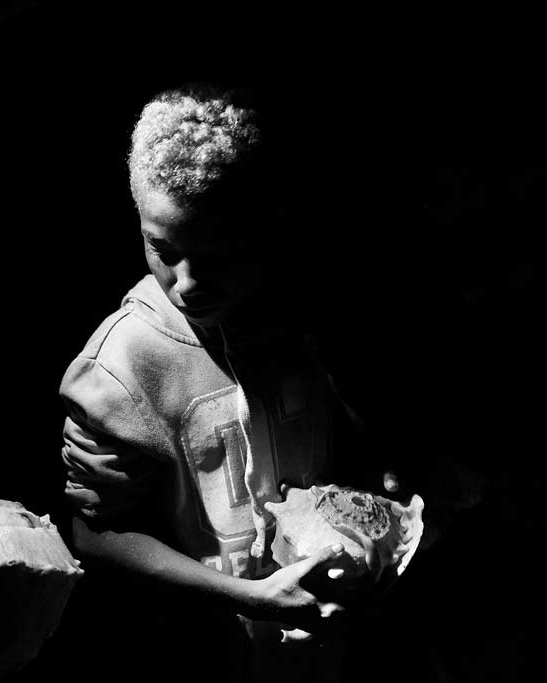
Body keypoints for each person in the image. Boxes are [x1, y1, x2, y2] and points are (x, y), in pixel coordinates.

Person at [56, 83, 384, 682]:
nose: (186, 283)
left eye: (215, 255)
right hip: (200, 652)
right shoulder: (122, 363)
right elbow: (93, 530)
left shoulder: (304, 318)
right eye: (162, 249)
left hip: (329, 643)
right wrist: (245, 598)